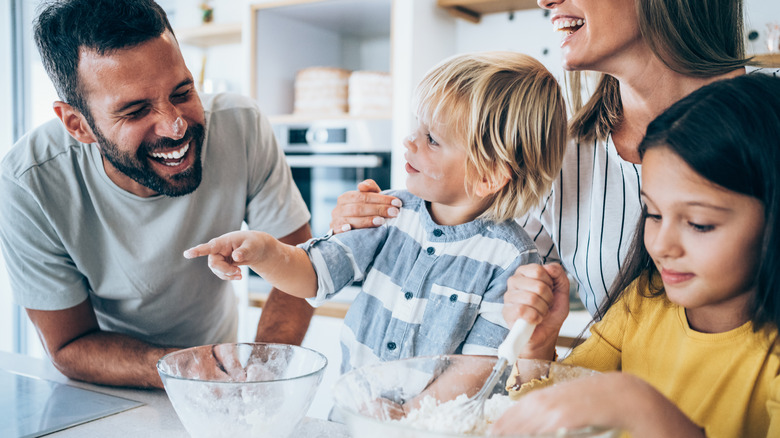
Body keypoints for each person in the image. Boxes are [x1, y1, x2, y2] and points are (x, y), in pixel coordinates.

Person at [328, 0, 780, 318]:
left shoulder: (771, 109)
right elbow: (470, 261)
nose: (546, 0)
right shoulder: (557, 159)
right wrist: (371, 227)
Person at [184, 51, 568, 376]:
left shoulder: (512, 261)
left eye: (432, 139)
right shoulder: (390, 211)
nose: (410, 141)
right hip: (353, 416)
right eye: (419, 127)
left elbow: (480, 370)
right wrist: (266, 252)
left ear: (487, 176)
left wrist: (403, 418)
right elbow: (312, 275)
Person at [0, 0, 314, 388]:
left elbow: (302, 265)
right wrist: (181, 368)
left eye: (182, 92)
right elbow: (68, 344)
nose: (175, 126)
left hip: (222, 377)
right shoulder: (28, 183)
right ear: (77, 124)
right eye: (135, 111)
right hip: (105, 384)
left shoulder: (242, 126)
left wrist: (261, 378)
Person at [493, 74, 780, 438]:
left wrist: (644, 409)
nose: (662, 245)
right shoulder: (643, 301)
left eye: (700, 223)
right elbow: (548, 416)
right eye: (654, 214)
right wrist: (536, 345)